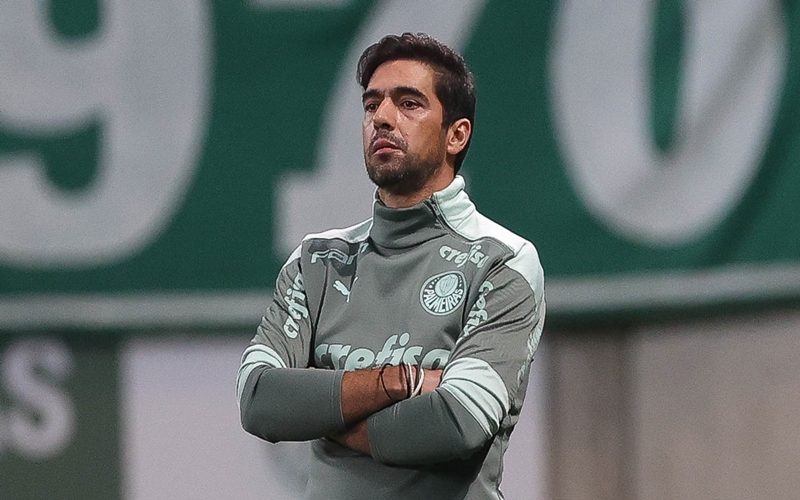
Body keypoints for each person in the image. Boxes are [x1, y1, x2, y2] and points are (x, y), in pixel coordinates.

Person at [237, 32, 545, 499]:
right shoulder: (317, 260)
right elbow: (260, 399)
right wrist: (402, 382)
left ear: (456, 135)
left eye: (409, 104)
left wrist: (326, 414)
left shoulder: (504, 262)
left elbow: (455, 422)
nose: (382, 118)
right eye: (371, 104)